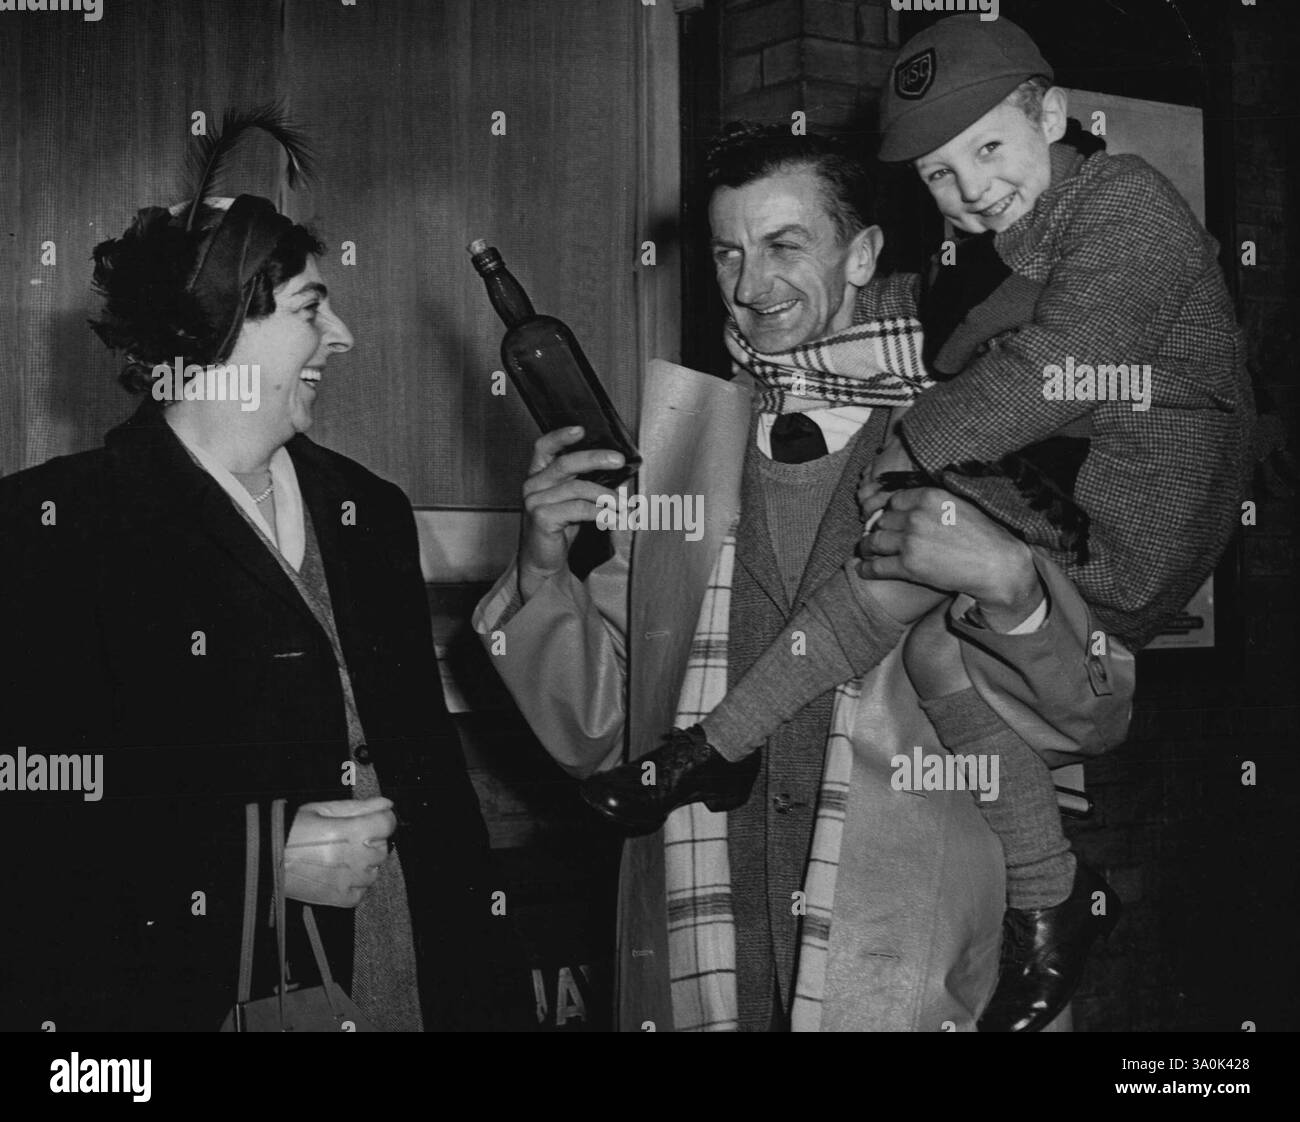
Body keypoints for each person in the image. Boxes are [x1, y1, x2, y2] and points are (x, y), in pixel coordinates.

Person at [579, 17, 1255, 1031]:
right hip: (739, 934)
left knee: (897, 545)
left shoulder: (1120, 206)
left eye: (988, 149)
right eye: (940, 173)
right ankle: (1051, 898)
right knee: (935, 643)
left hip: (1134, 527)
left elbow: (1042, 369)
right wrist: (559, 561)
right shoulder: (696, 432)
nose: (969, 187)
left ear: (1055, 116)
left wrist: (906, 460)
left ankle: (716, 744)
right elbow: (949, 326)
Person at [474, 122, 1135, 1031]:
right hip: (709, 966)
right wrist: (542, 567)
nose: (751, 286)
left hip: (925, 972)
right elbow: (602, 743)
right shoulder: (681, 457)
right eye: (729, 253)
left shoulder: (978, 432)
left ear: (862, 256)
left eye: (786, 245)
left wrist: (1012, 583)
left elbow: (1095, 714)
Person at [0, 113, 515, 1031]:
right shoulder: (58, 526)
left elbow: (433, 780)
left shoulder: (370, 512)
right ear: (220, 326)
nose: (345, 337)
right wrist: (253, 855)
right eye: (313, 309)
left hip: (407, 974)